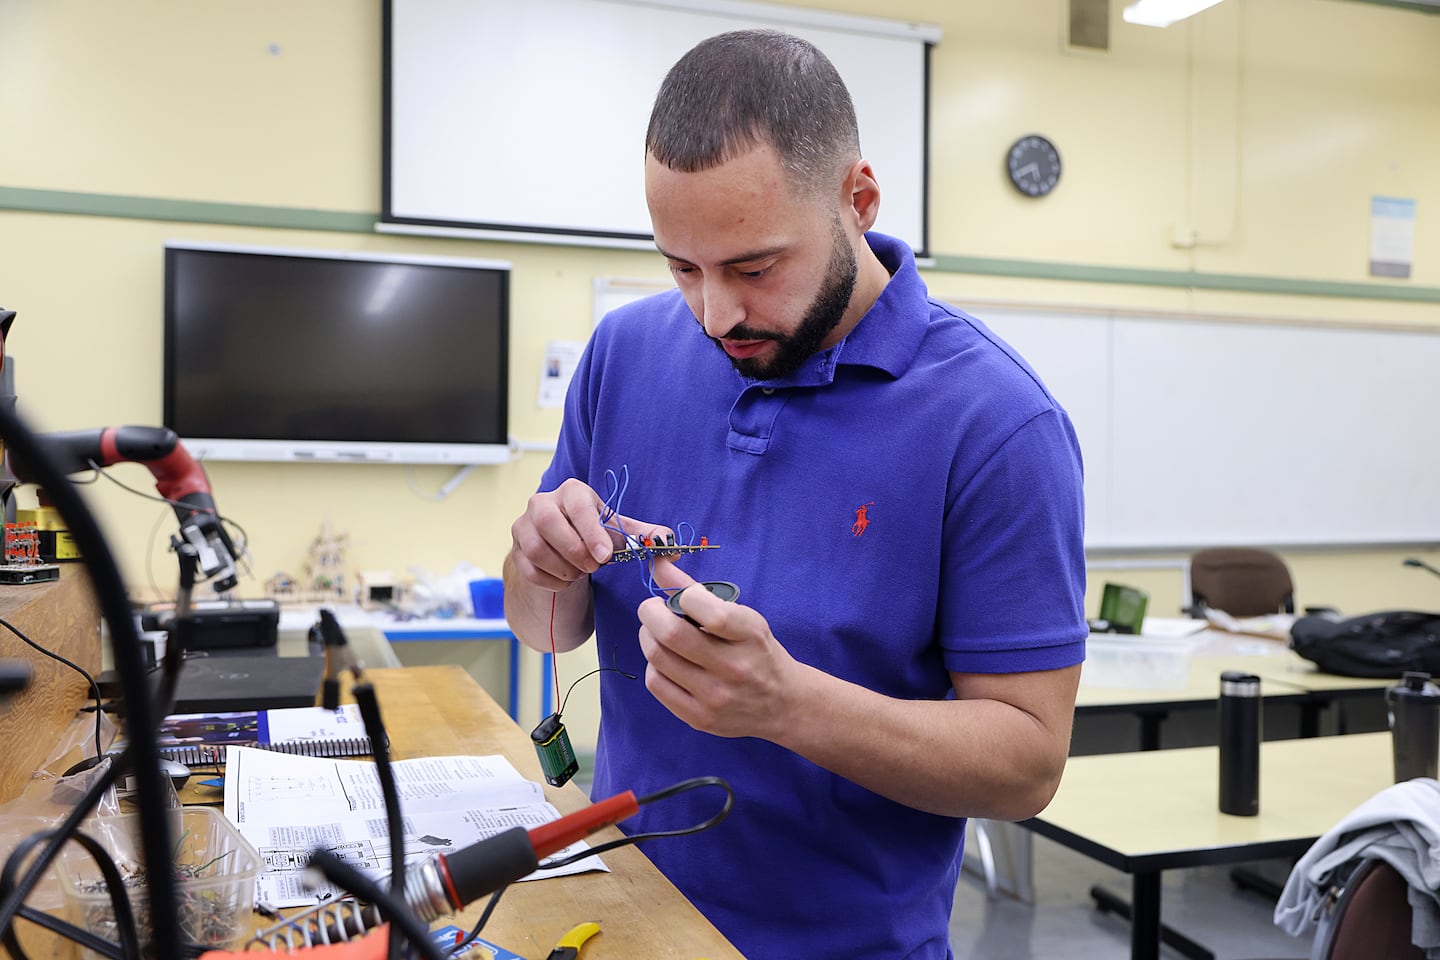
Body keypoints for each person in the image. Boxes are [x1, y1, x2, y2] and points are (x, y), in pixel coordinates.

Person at [503, 28, 1086, 960]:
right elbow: (549, 627)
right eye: (681, 266)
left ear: (857, 201)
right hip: (620, 921)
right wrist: (538, 560)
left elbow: (1026, 767)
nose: (714, 314)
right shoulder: (624, 353)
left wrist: (787, 706)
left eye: (754, 267)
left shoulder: (996, 425)